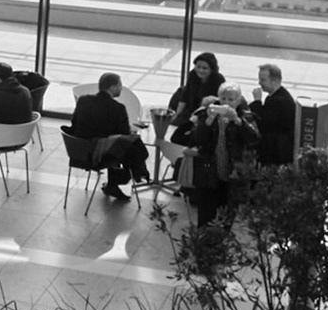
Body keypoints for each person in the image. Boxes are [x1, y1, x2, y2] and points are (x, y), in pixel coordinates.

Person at [172, 81, 256, 228]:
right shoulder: (206, 113)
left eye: (231, 100)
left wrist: (237, 121)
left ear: (239, 100)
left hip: (232, 175)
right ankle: (203, 246)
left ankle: (221, 246)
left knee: (226, 218)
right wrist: (208, 120)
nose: (227, 103)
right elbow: (195, 139)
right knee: (205, 217)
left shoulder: (245, 116)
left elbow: (254, 139)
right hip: (208, 173)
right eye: (224, 99)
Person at [69, 72, 150, 200]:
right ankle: (133, 174)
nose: (121, 88)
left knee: (122, 145)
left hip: (79, 149)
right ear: (112, 88)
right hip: (99, 155)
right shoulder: (118, 109)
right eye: (120, 85)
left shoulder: (83, 101)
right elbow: (125, 134)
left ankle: (133, 174)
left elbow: (74, 122)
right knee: (131, 147)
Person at [250, 63, 298, 166]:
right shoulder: (278, 96)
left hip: (276, 151)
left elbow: (262, 123)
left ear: (275, 81)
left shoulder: (278, 101)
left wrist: (257, 101)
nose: (259, 83)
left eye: (263, 80)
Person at [168, 52, 227, 132]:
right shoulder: (193, 74)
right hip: (191, 108)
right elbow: (185, 95)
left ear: (211, 69)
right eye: (198, 67)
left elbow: (222, 101)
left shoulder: (218, 80)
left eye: (204, 68)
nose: (200, 70)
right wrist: (177, 114)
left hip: (208, 113)